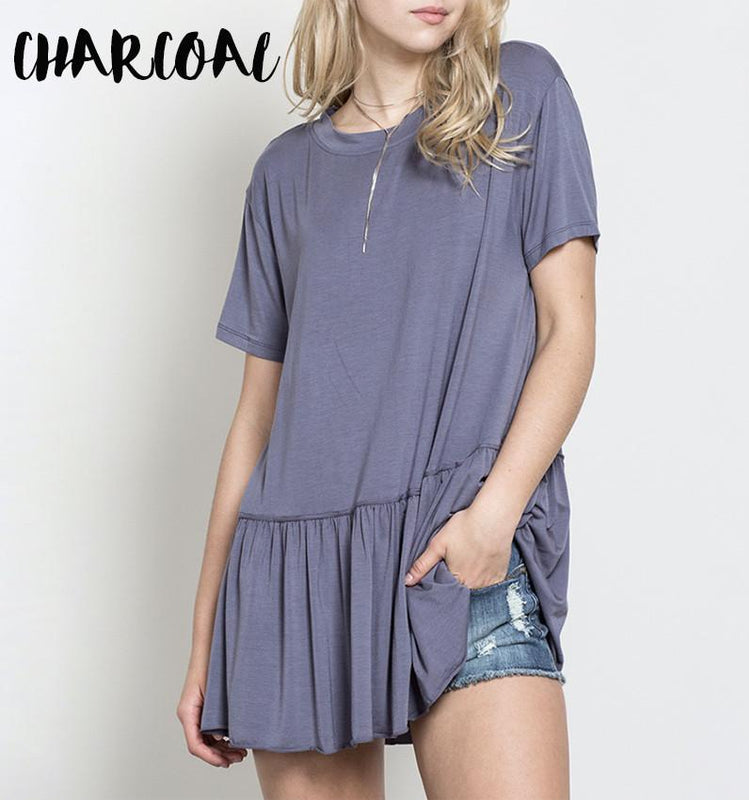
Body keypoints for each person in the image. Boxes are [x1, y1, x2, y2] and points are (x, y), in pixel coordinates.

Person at [177, 1, 600, 797]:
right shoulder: (283, 175)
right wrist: (206, 645)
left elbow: (567, 331)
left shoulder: (521, 93)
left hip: (457, 545)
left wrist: (494, 519)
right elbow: (256, 421)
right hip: (299, 586)